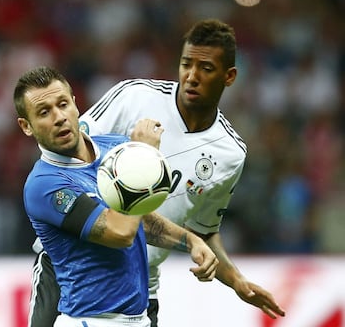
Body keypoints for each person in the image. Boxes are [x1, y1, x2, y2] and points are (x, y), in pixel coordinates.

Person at [29, 19, 286, 327]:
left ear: (229, 76)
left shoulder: (229, 154)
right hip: (70, 272)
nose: (191, 77)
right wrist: (142, 154)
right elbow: (65, 161)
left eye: (205, 68)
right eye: (186, 64)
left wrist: (236, 281)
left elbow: (202, 231)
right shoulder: (134, 97)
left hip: (139, 289)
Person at [15, 66, 219, 327]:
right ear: (26, 126)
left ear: (76, 105)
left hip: (138, 319)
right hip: (91, 320)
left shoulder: (114, 148)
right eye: (44, 112)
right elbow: (119, 233)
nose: (59, 117)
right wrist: (142, 156)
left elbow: (140, 220)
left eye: (63, 104)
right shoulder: (44, 184)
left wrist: (191, 242)